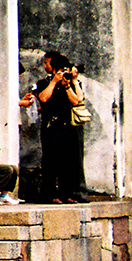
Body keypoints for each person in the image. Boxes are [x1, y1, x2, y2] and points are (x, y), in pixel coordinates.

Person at [32, 52, 86, 204]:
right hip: (50, 127)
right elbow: (43, 98)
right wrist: (54, 82)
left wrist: (68, 85)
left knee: (68, 162)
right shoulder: (44, 83)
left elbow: (76, 101)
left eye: (47, 63)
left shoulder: (68, 83)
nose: (44, 66)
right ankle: (50, 194)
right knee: (50, 161)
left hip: (66, 127)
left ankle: (66, 194)